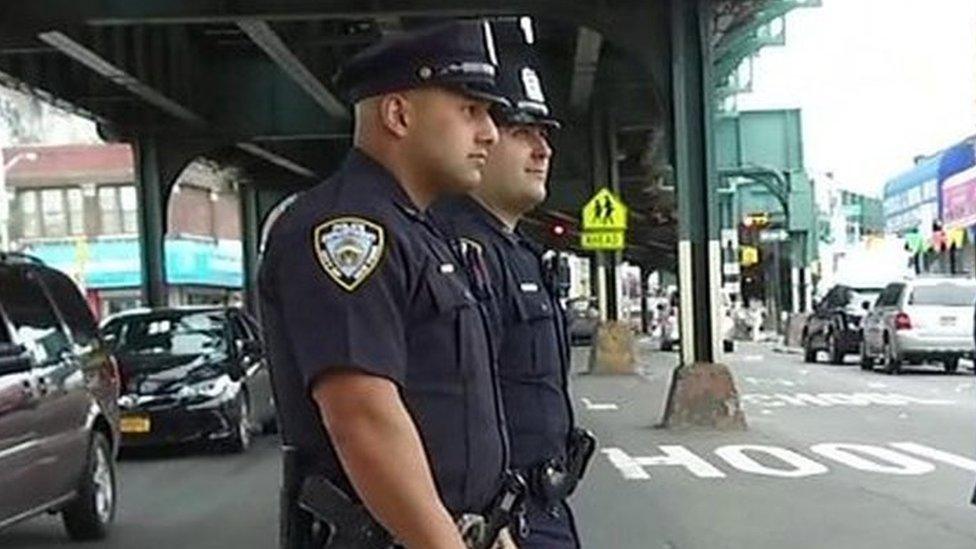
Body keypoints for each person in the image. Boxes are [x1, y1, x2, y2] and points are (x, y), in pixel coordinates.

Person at [259, 20, 519, 549]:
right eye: (470, 109)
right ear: (398, 115)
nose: (489, 132)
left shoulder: (419, 234)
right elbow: (362, 416)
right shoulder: (347, 231)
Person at [435, 21, 592, 548]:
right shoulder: (451, 251)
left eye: (544, 134)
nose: (542, 149)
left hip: (542, 506)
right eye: (522, 132)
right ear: (479, 138)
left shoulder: (519, 254)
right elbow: (442, 410)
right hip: (495, 522)